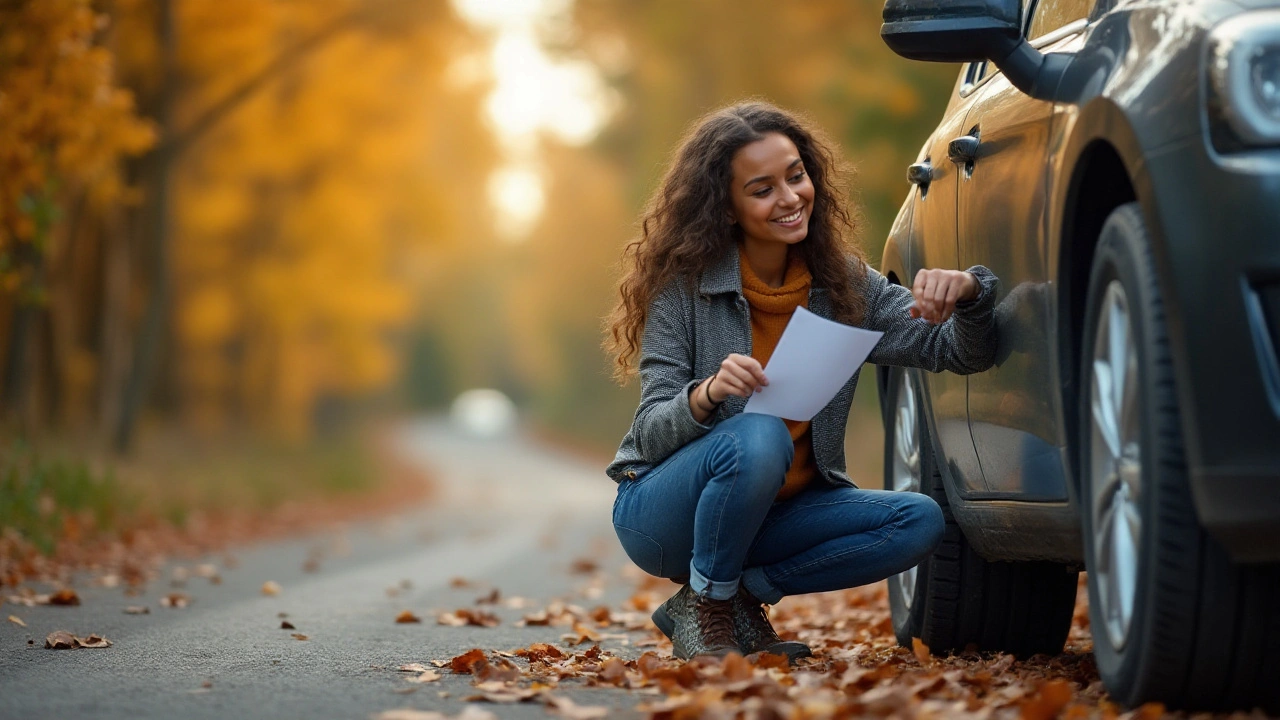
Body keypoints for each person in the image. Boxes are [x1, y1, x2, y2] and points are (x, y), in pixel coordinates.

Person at [602, 101, 999, 662]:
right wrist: (708, 393)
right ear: (727, 207)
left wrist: (971, 297)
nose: (790, 198)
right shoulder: (683, 289)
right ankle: (711, 607)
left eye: (796, 176)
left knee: (918, 520)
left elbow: (956, 352)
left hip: (774, 517)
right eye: (762, 189)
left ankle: (725, 595)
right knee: (758, 434)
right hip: (662, 515)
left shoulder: (844, 286)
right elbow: (648, 434)